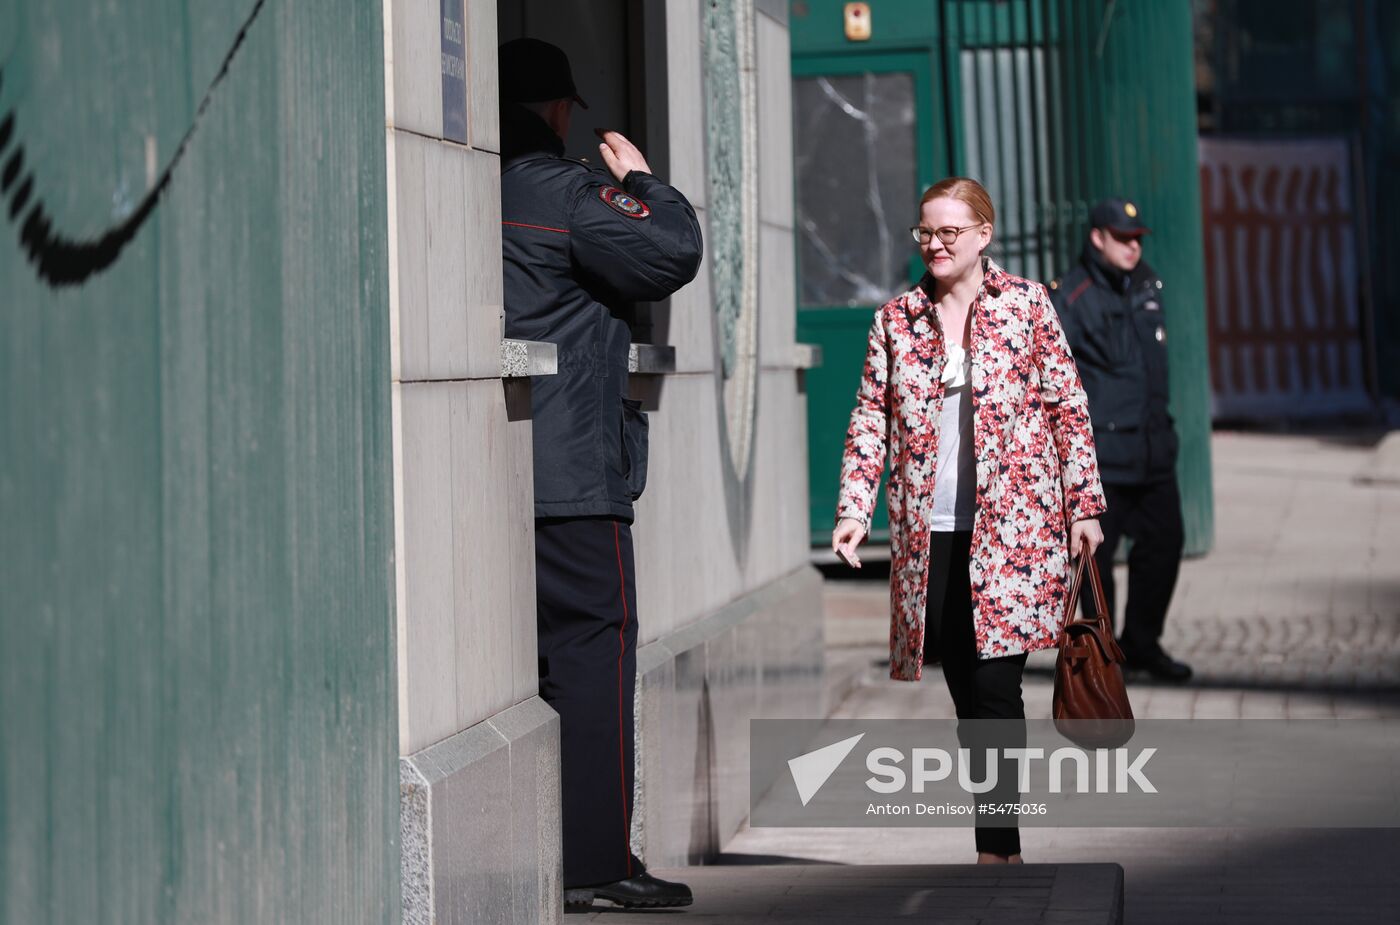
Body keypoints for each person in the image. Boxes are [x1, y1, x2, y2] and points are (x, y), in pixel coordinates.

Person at [832, 177, 1106, 863]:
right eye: (927, 230)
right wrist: (853, 508)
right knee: (966, 693)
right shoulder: (896, 320)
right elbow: (871, 416)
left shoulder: (1027, 307)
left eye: (950, 231)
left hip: (1012, 531)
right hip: (932, 533)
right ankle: (997, 835)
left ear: (984, 235)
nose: (936, 242)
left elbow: (1066, 407)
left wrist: (1086, 505)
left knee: (995, 687)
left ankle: (998, 851)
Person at [498, 38, 703, 908]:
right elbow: (670, 254)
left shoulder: (474, 187)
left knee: (535, 661)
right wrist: (647, 183)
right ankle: (598, 864)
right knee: (594, 649)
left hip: (494, 470)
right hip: (574, 469)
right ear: (556, 111)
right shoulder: (561, 190)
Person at [1048, 198, 1192, 682]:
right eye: (1122, 238)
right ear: (1097, 238)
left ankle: (1143, 642)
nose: (1133, 247)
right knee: (1098, 566)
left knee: (1165, 545)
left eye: (1137, 238)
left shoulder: (1148, 284)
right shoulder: (1072, 295)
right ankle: (1103, 657)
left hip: (1153, 449)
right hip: (1106, 457)